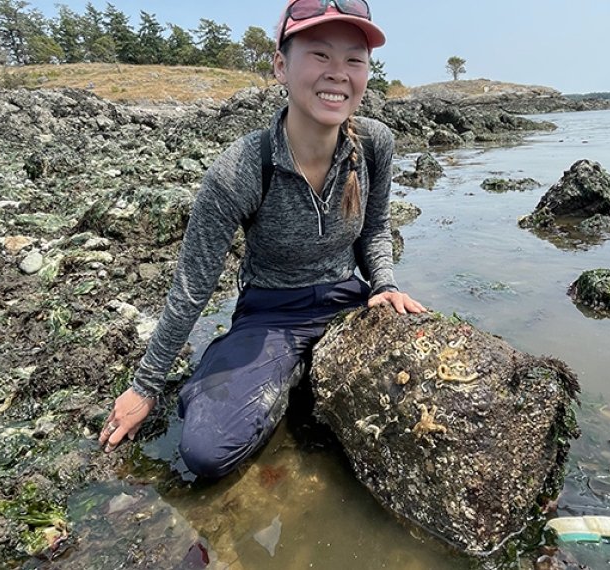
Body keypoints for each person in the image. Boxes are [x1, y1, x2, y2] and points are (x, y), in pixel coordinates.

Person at [99, 0, 424, 478]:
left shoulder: (374, 144)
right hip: (271, 315)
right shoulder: (241, 169)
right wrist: (145, 385)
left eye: (354, 59)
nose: (339, 73)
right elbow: (193, 284)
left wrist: (384, 286)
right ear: (280, 67)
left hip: (349, 302)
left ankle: (303, 377)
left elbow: (374, 229)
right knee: (206, 452)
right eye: (319, 55)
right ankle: (264, 371)